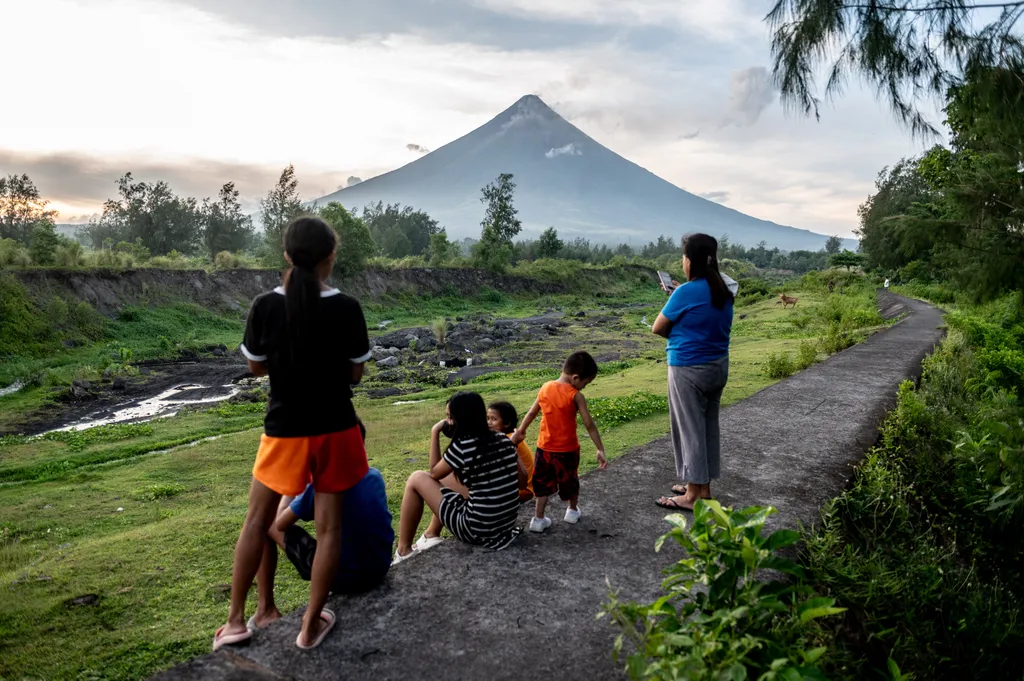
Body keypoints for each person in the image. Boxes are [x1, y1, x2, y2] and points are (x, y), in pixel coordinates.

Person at [213, 215, 372, 652]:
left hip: (284, 431)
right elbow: (355, 375)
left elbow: (255, 365)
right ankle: (308, 628)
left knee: (256, 522)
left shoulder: (265, 305)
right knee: (329, 529)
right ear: (331, 257)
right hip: (337, 430)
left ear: (285, 254)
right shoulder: (347, 307)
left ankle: (234, 623)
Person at [250, 465, 393, 628]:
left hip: (345, 578)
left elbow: (280, 522)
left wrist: (292, 483)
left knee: (265, 522)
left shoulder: (322, 484)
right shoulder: (374, 475)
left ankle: (265, 610)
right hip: (379, 567)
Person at [652, 233, 734, 511]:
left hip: (688, 368)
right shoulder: (724, 289)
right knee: (708, 427)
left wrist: (677, 295)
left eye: (684, 257)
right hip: (717, 367)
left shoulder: (685, 292)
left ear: (690, 261)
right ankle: (702, 488)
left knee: (689, 431)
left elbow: (658, 327)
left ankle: (691, 497)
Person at [394, 391, 522, 562]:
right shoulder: (503, 439)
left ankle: (403, 551)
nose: (447, 421)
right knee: (446, 480)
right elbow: (520, 480)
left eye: (449, 416)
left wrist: (435, 432)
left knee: (416, 478)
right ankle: (431, 535)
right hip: (504, 524)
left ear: (459, 418)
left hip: (475, 529)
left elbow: (433, 472)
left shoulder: (463, 446)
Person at [512, 351, 607, 533]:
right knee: (570, 480)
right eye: (585, 384)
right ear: (575, 378)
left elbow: (532, 413)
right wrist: (600, 448)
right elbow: (589, 424)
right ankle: (571, 511)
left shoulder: (545, 388)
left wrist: (521, 431)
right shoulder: (575, 396)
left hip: (544, 449)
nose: (583, 388)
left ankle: (538, 519)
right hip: (568, 450)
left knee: (542, 484)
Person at [488, 401, 535, 502]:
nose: (489, 422)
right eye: (488, 418)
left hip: (524, 491)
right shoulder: (509, 437)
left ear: (507, 423)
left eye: (494, 419)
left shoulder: (508, 439)